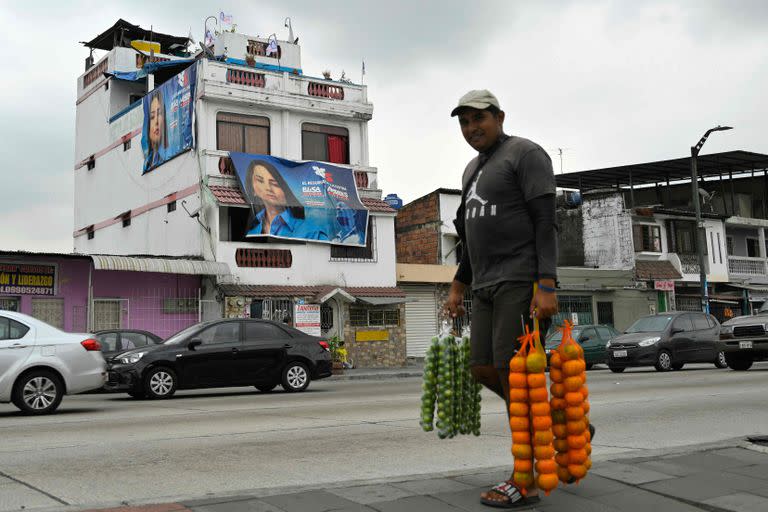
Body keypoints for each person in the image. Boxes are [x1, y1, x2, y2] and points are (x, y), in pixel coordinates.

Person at [444, 90, 573, 508]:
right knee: (483, 368)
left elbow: (544, 221)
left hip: (521, 279)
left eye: (478, 118)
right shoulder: (470, 170)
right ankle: (556, 422)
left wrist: (547, 282)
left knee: (515, 375)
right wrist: (459, 284)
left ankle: (526, 479)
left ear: (499, 116)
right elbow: (470, 237)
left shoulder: (526, 154)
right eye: (463, 121)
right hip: (483, 284)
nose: (471, 128)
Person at [244, 160, 329, 241]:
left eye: (275, 184)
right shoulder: (252, 232)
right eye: (260, 180)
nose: (268, 188)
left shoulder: (311, 232)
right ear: (253, 189)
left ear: (286, 190)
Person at [143, 89, 168, 172]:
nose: (156, 122)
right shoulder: (148, 160)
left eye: (160, 114)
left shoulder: (165, 157)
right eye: (152, 117)